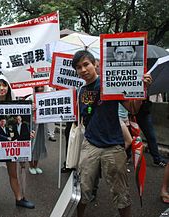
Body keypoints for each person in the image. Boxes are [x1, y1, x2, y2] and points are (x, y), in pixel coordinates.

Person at [72, 50, 152, 217]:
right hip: (90, 144)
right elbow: (82, 118)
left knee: (120, 191)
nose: (83, 70)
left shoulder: (110, 84)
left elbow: (132, 108)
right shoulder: (81, 91)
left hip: (113, 146)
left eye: (86, 64)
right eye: (79, 67)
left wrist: (143, 89)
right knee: (82, 189)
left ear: (96, 64)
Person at [0, 75, 34, 214]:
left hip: (10, 146)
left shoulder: (16, 104)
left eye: (4, 85)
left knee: (13, 173)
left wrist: (27, 135)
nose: (1, 88)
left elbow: (20, 125)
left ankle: (19, 198)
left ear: (8, 87)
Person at [136, 98, 167, 167]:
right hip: (130, 111)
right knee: (130, 137)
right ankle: (127, 157)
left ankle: (157, 159)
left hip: (143, 112)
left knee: (151, 136)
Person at [26, 86, 47, 175]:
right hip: (31, 125)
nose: (41, 89)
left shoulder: (46, 97)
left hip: (41, 125)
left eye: (42, 87)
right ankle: (31, 165)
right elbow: (24, 112)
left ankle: (36, 165)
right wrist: (30, 108)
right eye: (39, 87)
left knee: (39, 144)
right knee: (31, 145)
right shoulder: (29, 98)